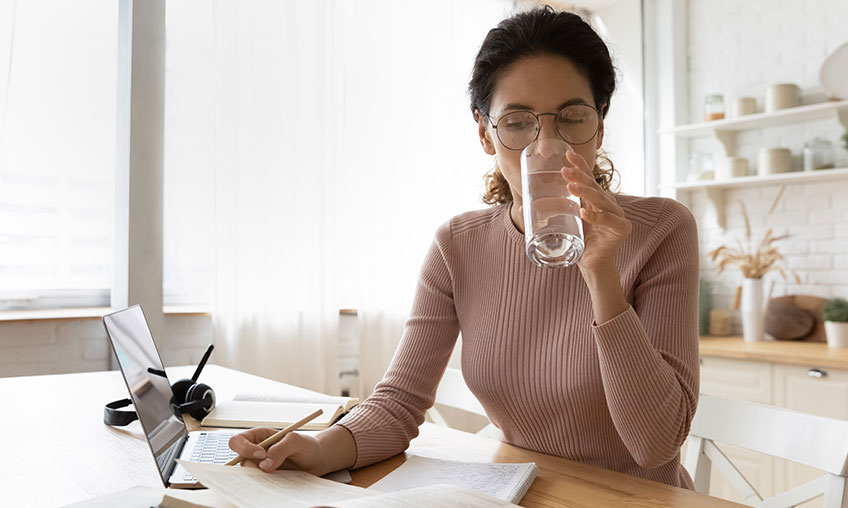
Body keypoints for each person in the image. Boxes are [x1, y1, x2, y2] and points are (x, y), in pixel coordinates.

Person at [229, 6, 700, 489]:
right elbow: (398, 403)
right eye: (517, 123)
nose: (546, 147)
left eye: (571, 118)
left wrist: (602, 273)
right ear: (485, 133)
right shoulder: (457, 244)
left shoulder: (662, 230)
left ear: (598, 127)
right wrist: (317, 448)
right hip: (521, 493)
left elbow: (656, 445)